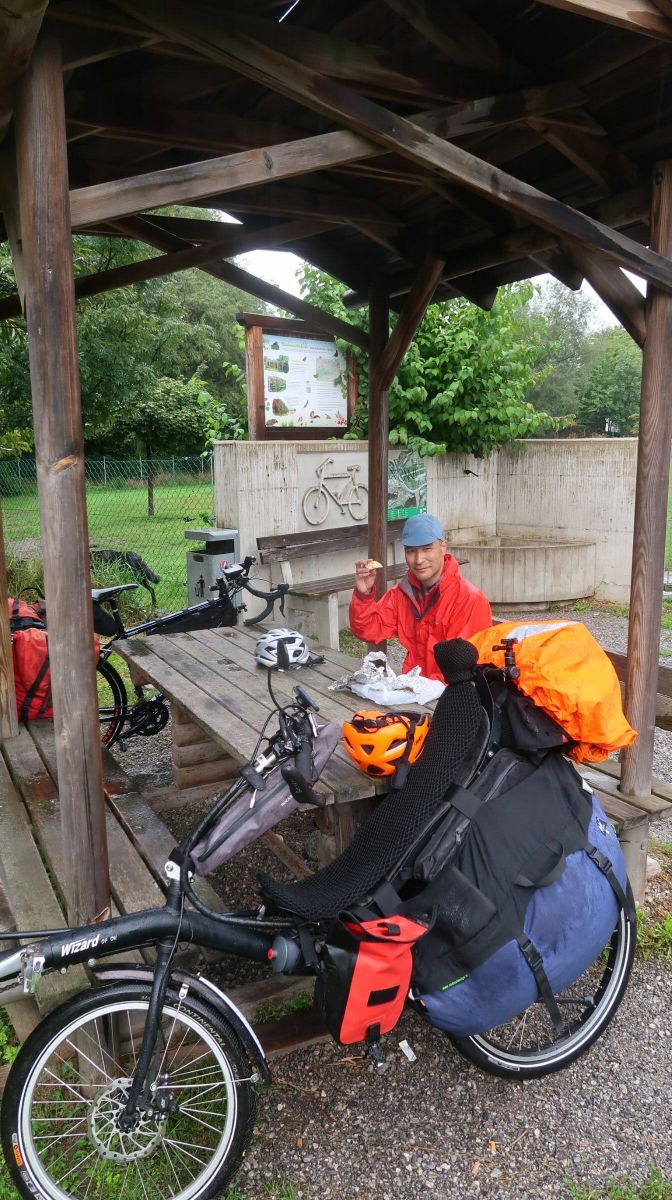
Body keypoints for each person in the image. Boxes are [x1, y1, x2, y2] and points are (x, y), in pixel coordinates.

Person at [349, 513, 492, 682]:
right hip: (415, 688)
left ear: (443, 546)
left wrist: (415, 689)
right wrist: (364, 595)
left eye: (427, 549)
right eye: (411, 551)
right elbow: (368, 630)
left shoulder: (469, 600)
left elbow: (464, 670)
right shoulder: (402, 594)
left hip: (450, 693)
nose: (418, 559)